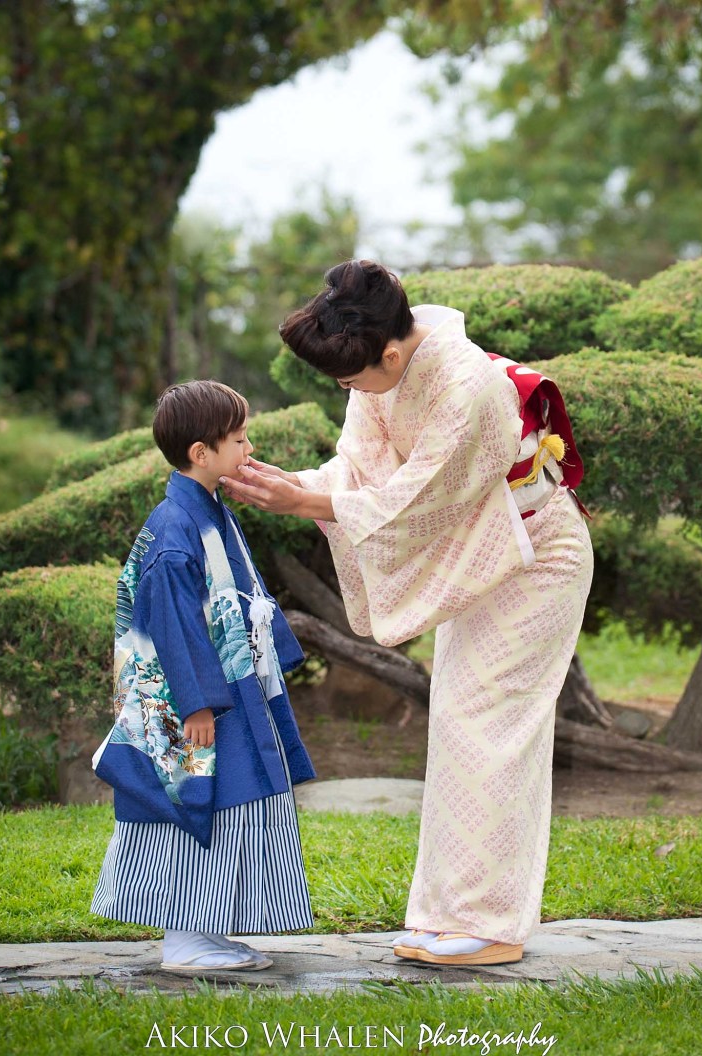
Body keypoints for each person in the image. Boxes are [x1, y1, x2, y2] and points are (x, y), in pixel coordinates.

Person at [219, 259, 594, 967]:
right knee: (459, 723)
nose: (349, 391)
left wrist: (305, 503)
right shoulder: (383, 365)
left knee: (493, 724)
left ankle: (490, 921)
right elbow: (360, 472)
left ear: (391, 350)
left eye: (353, 379)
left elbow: (424, 499)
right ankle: (447, 913)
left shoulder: (468, 386)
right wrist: (296, 484)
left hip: (536, 551)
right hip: (487, 549)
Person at [90, 380, 315, 973]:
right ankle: (185, 939)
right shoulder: (174, 531)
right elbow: (173, 626)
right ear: (199, 453)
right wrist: (195, 705)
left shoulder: (206, 513)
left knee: (231, 804)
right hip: (200, 702)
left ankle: (208, 930)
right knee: (198, 804)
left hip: (228, 689)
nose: (248, 448)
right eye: (238, 439)